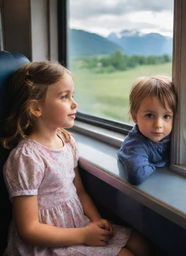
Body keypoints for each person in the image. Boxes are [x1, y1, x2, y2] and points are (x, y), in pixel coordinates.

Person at [1, 61, 150, 256]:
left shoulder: (67, 141)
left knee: (141, 245)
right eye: (64, 97)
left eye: (73, 95)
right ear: (36, 109)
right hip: (46, 242)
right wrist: (83, 236)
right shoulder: (26, 158)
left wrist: (96, 221)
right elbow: (29, 230)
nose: (74, 103)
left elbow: (79, 192)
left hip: (78, 223)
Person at [118, 75, 177, 185]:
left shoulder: (176, 137)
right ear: (135, 116)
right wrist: (158, 164)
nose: (158, 125)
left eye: (166, 116)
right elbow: (136, 175)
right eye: (150, 115)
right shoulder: (135, 145)